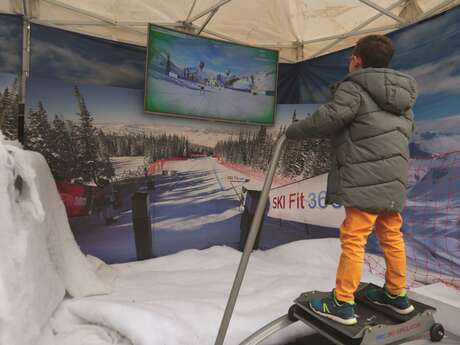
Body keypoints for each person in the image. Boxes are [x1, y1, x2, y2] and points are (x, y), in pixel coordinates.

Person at [285, 35, 417, 325]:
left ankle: (342, 302)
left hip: (363, 177)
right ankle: (397, 294)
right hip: (393, 179)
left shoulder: (354, 87)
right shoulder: (404, 99)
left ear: (356, 60)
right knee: (392, 236)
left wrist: (292, 131)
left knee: (355, 238)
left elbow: (328, 118)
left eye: (350, 59)